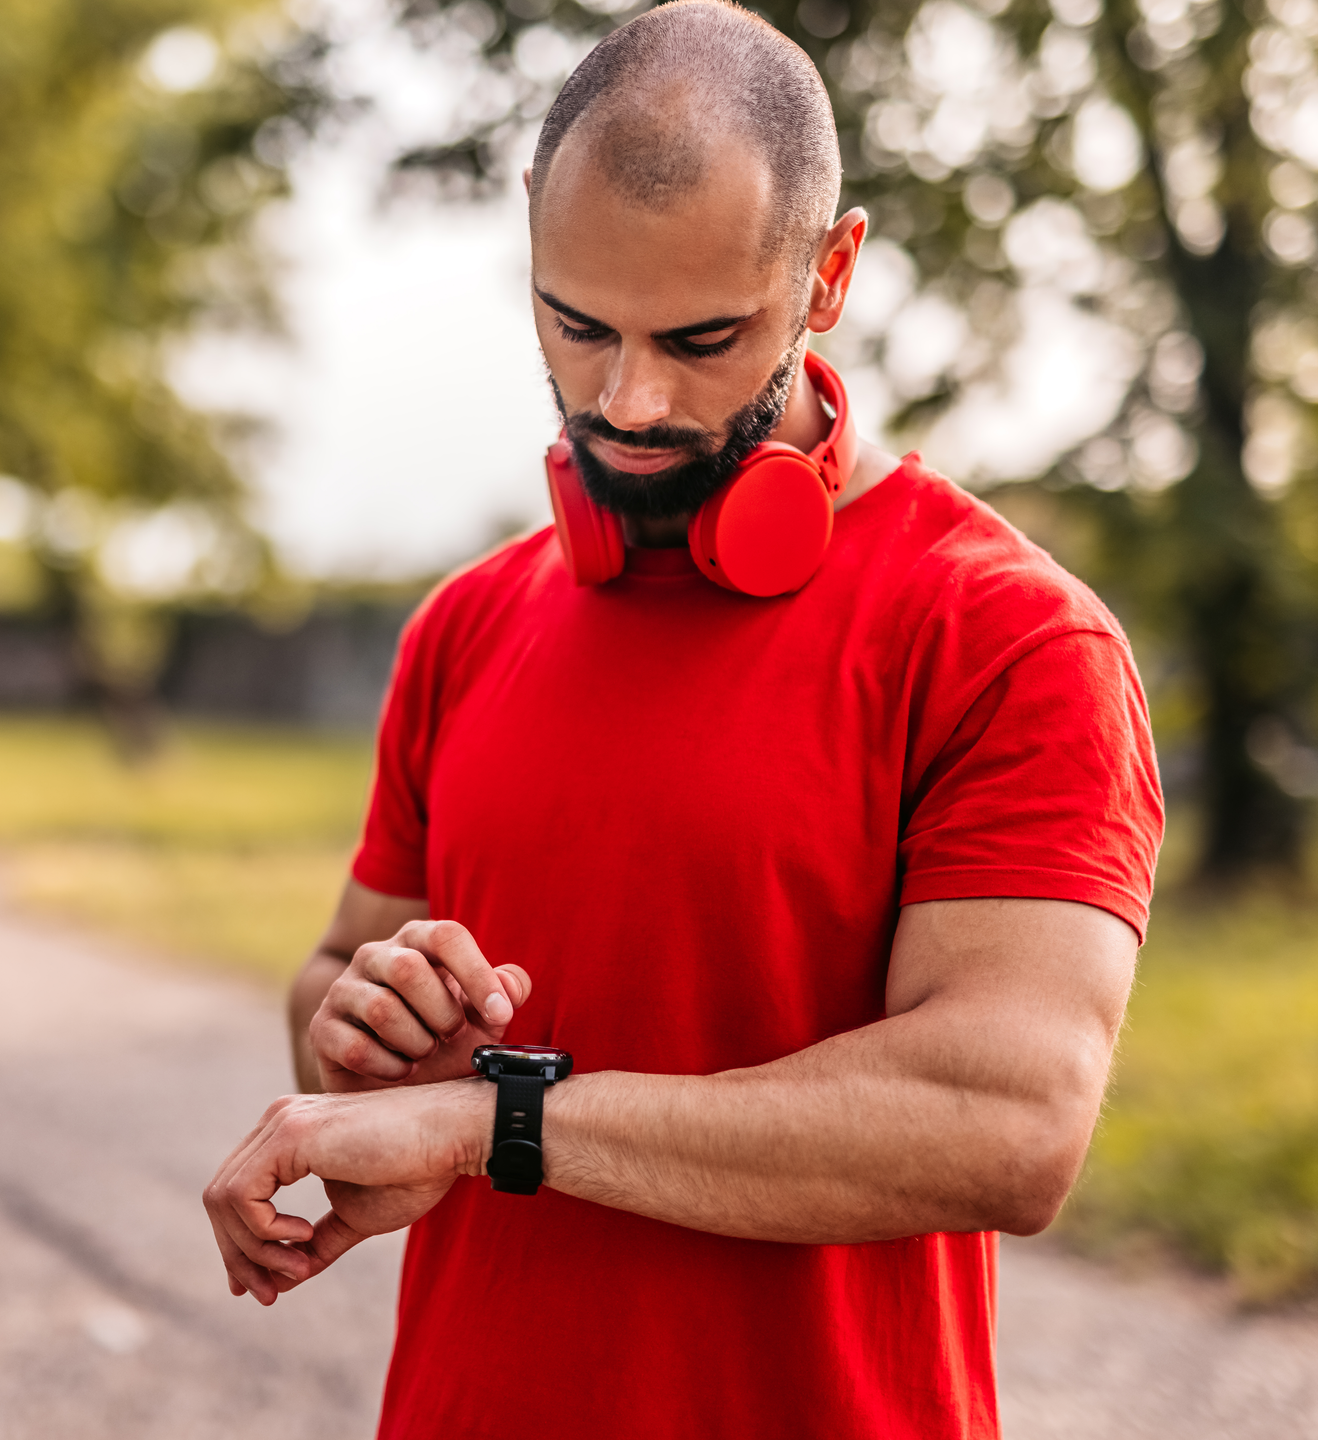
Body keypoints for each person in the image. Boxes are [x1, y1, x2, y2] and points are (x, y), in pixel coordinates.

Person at [202, 3, 1164, 1436]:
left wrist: (501, 1124)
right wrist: (360, 1035)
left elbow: (1008, 1121)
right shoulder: (466, 627)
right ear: (534, 225)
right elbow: (330, 978)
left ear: (829, 273)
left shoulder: (1010, 640)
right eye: (577, 325)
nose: (629, 399)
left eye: (704, 338)